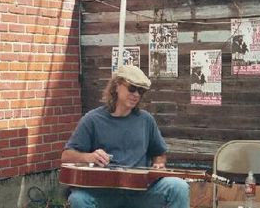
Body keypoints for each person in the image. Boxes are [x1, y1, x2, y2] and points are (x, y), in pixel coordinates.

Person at [60, 65, 190, 208]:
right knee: (78, 199)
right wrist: (89, 157)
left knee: (179, 186)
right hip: (104, 193)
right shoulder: (92, 120)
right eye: (132, 88)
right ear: (116, 86)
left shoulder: (146, 120)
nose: (136, 95)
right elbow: (66, 156)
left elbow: (159, 154)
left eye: (140, 91)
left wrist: (159, 164)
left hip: (141, 192)